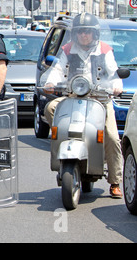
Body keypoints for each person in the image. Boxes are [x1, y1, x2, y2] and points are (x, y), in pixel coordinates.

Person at [43, 12, 123, 198]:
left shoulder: (104, 50)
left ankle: (115, 181)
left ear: (95, 34)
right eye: (80, 32)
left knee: (111, 136)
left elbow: (113, 72)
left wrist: (116, 86)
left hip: (100, 99)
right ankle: (63, 153)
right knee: (50, 108)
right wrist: (51, 83)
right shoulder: (68, 49)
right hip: (72, 97)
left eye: (87, 32)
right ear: (75, 33)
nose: (83, 35)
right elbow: (58, 69)